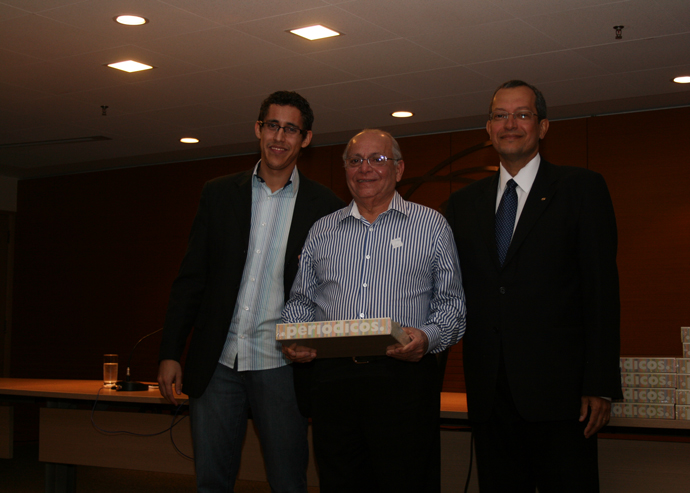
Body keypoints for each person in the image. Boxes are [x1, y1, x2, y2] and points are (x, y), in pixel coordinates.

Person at [157, 90, 345, 493]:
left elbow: (331, 292)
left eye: (290, 129)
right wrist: (171, 351)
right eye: (272, 125)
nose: (279, 137)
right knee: (211, 481)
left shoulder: (326, 206)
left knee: (287, 482)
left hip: (282, 365)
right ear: (258, 129)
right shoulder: (219, 193)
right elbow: (191, 279)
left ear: (306, 139)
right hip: (217, 361)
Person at [445, 80, 622, 491]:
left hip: (563, 396)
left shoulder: (581, 188)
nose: (510, 124)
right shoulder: (463, 203)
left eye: (522, 114)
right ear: (488, 128)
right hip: (490, 395)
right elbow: (450, 287)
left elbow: (602, 292)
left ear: (542, 127)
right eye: (500, 116)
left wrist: (600, 385)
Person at [281, 129, 466, 493]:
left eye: (377, 159)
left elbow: (452, 306)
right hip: (333, 381)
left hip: (403, 378)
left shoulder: (431, 226)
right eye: (355, 160)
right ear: (345, 170)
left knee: (407, 482)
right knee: (339, 482)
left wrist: (426, 337)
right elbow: (301, 301)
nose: (364, 169)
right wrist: (294, 337)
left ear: (399, 169)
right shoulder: (322, 230)